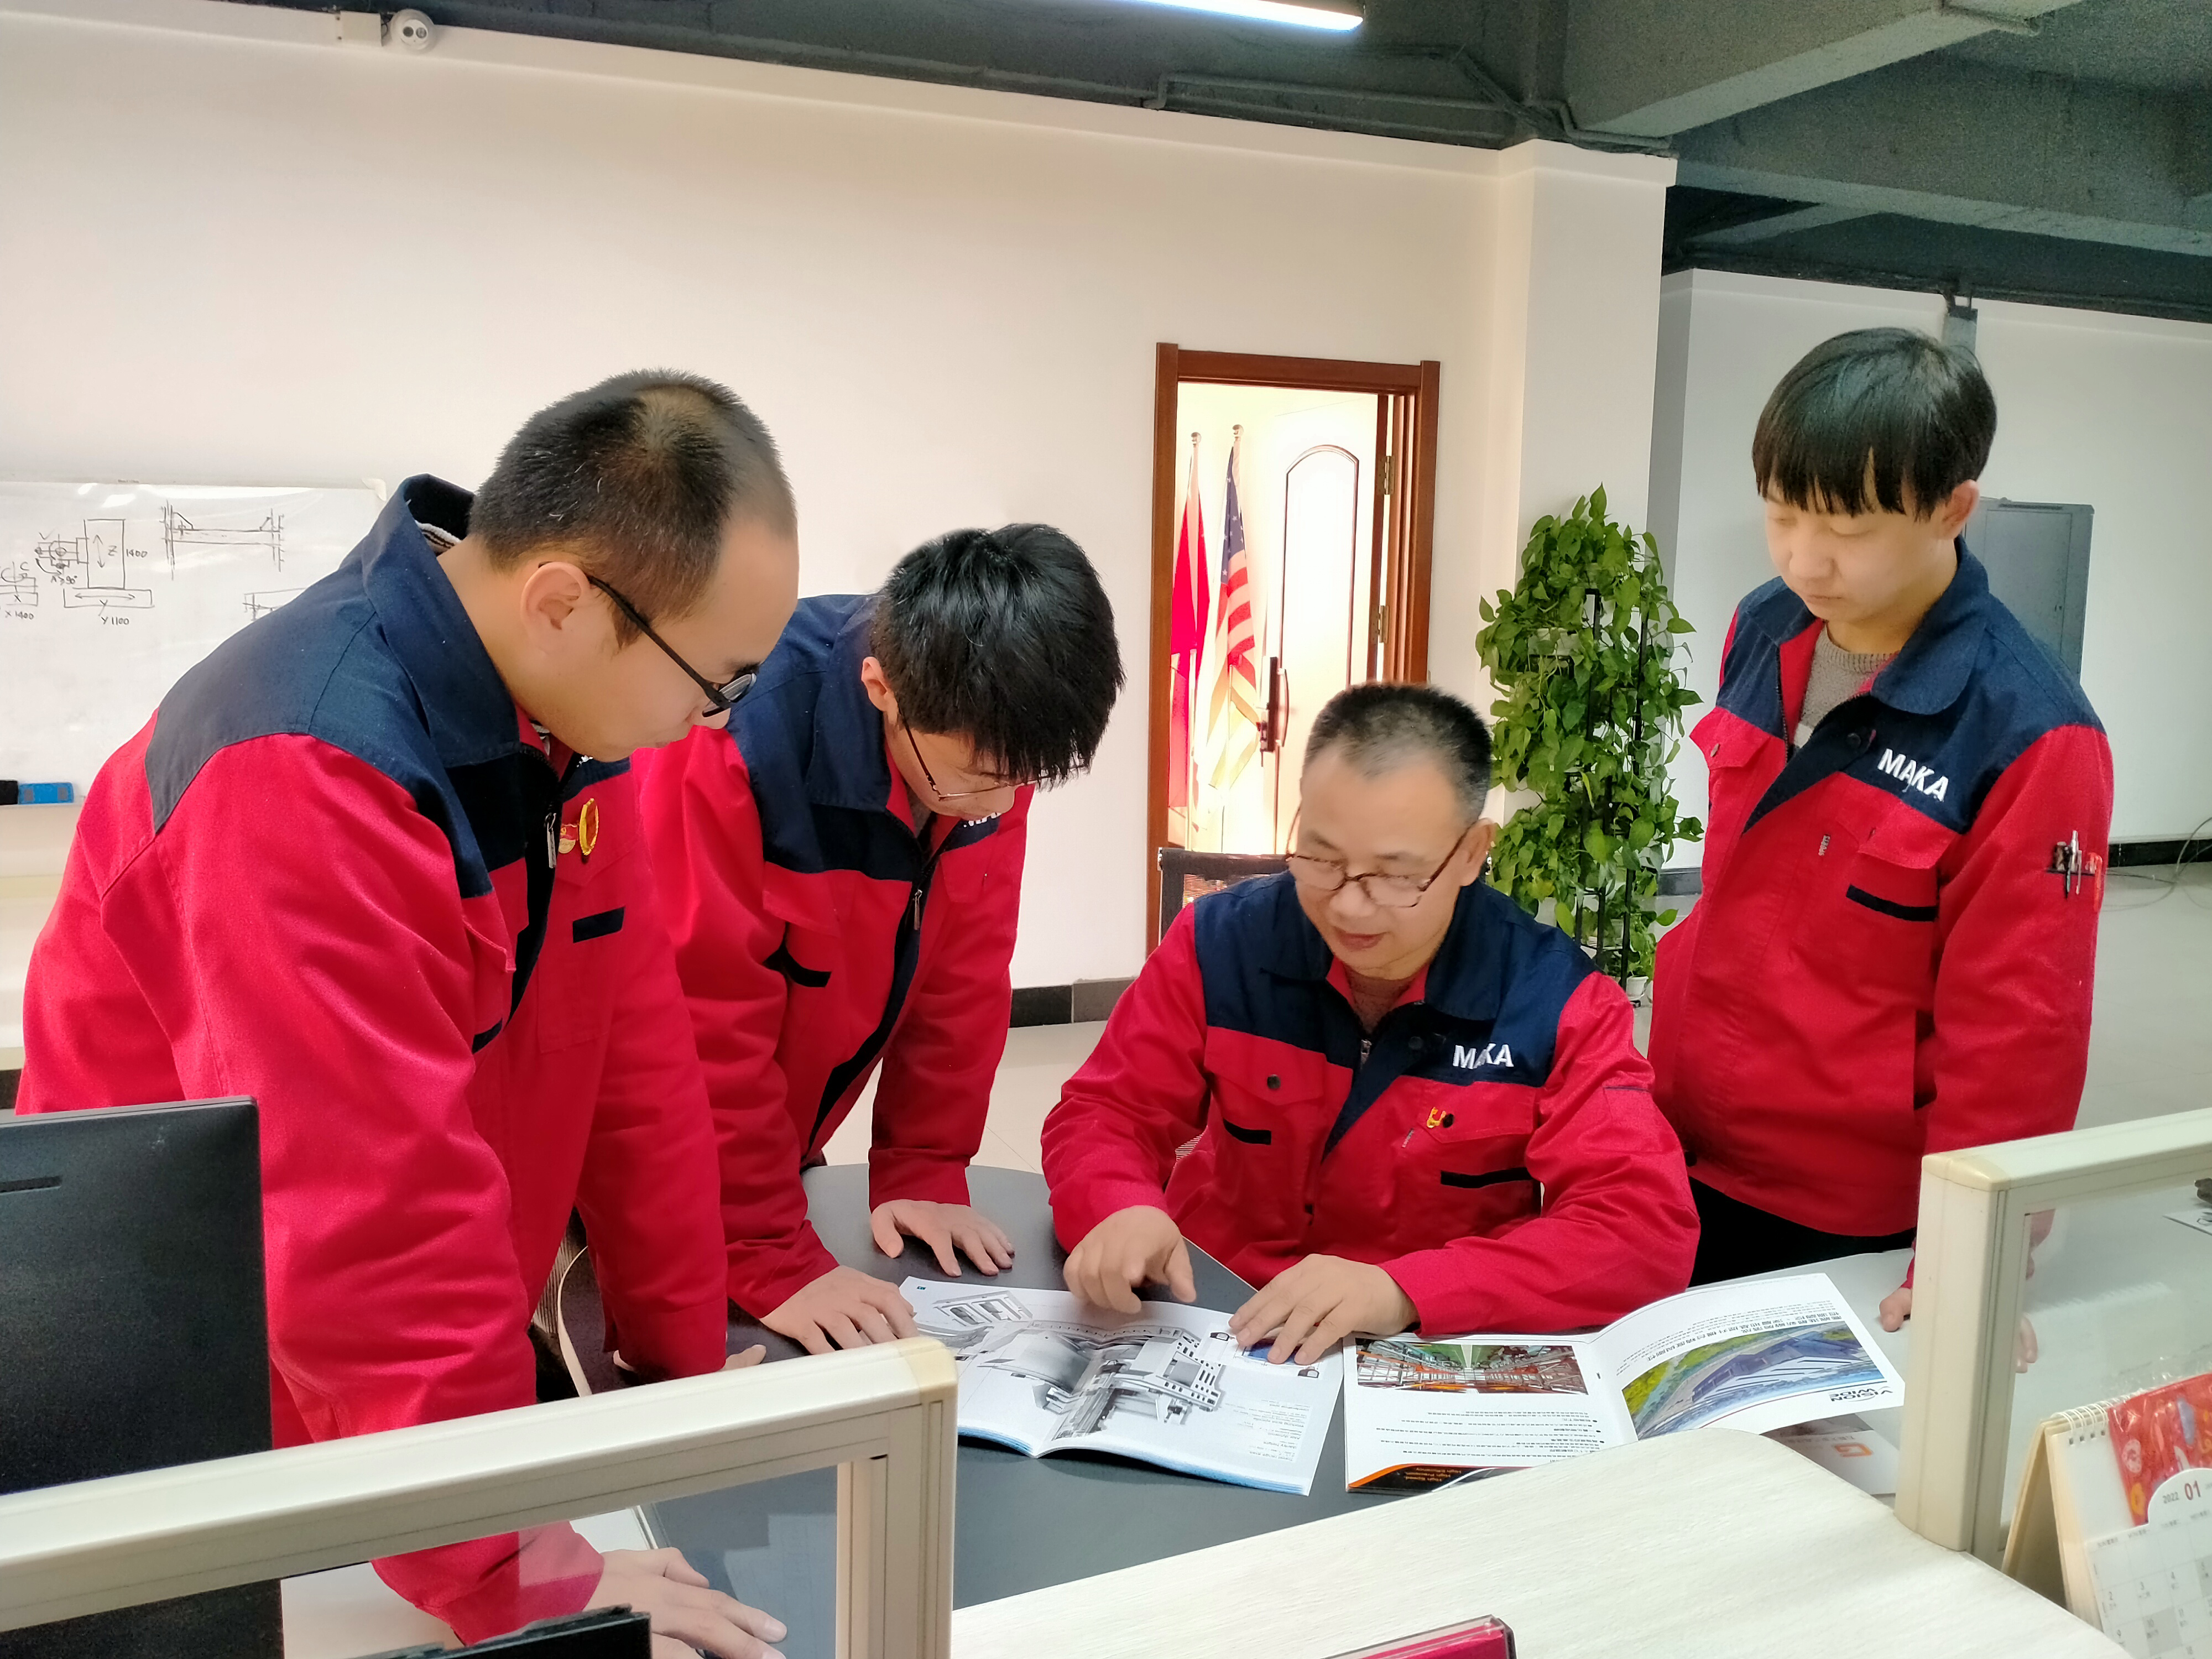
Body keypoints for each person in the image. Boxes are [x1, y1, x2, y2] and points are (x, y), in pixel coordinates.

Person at [19, 372, 800, 1659]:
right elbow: (365, 1220)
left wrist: (678, 1373)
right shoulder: (305, 765)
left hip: (402, 1405)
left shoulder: (561, 728)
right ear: (564, 601)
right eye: (714, 684)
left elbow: (632, 1058)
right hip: (208, 1394)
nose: (704, 726)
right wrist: (514, 1569)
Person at [1648, 328, 2112, 1329]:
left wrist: (1967, 1263)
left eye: (1849, 529)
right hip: (1685, 1137)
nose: (1804, 559)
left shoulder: (2031, 731)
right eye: (1782, 514)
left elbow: (2017, 1037)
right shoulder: (1763, 625)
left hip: (1847, 1209)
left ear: (1953, 508)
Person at [1042, 684, 1698, 1363]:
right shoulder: (1220, 943)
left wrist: (1407, 1289)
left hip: (1418, 1341)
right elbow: (1107, 1112)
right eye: (1322, 858)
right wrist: (1118, 1204)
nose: (1349, 908)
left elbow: (1641, 1231)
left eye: (1395, 875)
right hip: (1220, 1311)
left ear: (1471, 853)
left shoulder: (1555, 1000)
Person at [634, 525, 1122, 1354]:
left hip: (778, 1139)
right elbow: (703, 1025)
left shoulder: (987, 752)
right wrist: (760, 1245)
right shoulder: (735, 743)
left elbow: (962, 977)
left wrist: (924, 1165)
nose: (994, 806)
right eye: (970, 781)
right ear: (880, 688)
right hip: (645, 1153)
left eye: (1021, 782)